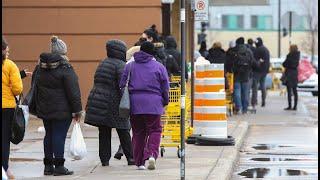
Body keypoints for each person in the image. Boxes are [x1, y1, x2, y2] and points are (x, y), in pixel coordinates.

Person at [35, 36, 82, 176]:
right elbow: (73, 91)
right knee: (59, 135)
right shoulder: (65, 67)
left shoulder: (40, 67)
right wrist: (77, 110)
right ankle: (59, 166)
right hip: (63, 109)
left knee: (48, 134)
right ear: (64, 52)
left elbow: (35, 86)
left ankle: (48, 166)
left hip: (45, 107)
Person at [120, 41, 169, 170]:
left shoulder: (129, 66)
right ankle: (152, 154)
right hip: (154, 104)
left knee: (138, 132)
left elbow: (122, 85)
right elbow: (165, 87)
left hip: (135, 104)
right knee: (155, 130)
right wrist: (165, 101)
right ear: (153, 52)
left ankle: (140, 162)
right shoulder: (159, 67)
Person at [84, 40, 134, 166]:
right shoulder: (121, 65)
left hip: (100, 101)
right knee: (124, 129)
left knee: (104, 131)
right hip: (113, 103)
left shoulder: (103, 63)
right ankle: (131, 158)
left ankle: (104, 160)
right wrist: (128, 105)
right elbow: (123, 86)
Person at [2, 36, 23, 179]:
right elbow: (17, 88)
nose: (8, 53)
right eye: (7, 51)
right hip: (6, 107)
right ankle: (4, 169)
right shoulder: (9, 65)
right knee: (4, 139)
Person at [233, 37, 258, 114]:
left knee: (237, 91)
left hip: (237, 74)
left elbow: (230, 62)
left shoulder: (234, 50)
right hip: (246, 74)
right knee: (245, 93)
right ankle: (244, 109)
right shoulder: (249, 51)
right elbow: (253, 63)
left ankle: (238, 107)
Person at [252, 37, 270, 107]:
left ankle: (254, 101)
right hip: (264, 70)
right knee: (263, 85)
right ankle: (263, 101)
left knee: (255, 86)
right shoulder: (266, 49)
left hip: (257, 70)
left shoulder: (257, 50)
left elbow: (254, 61)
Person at [282, 44, 300, 110]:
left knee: (289, 90)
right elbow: (296, 65)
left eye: (289, 48)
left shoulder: (289, 56)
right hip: (294, 73)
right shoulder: (298, 56)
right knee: (295, 90)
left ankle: (289, 106)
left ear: (291, 49)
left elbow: (284, 64)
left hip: (289, 73)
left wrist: (287, 64)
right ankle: (295, 106)